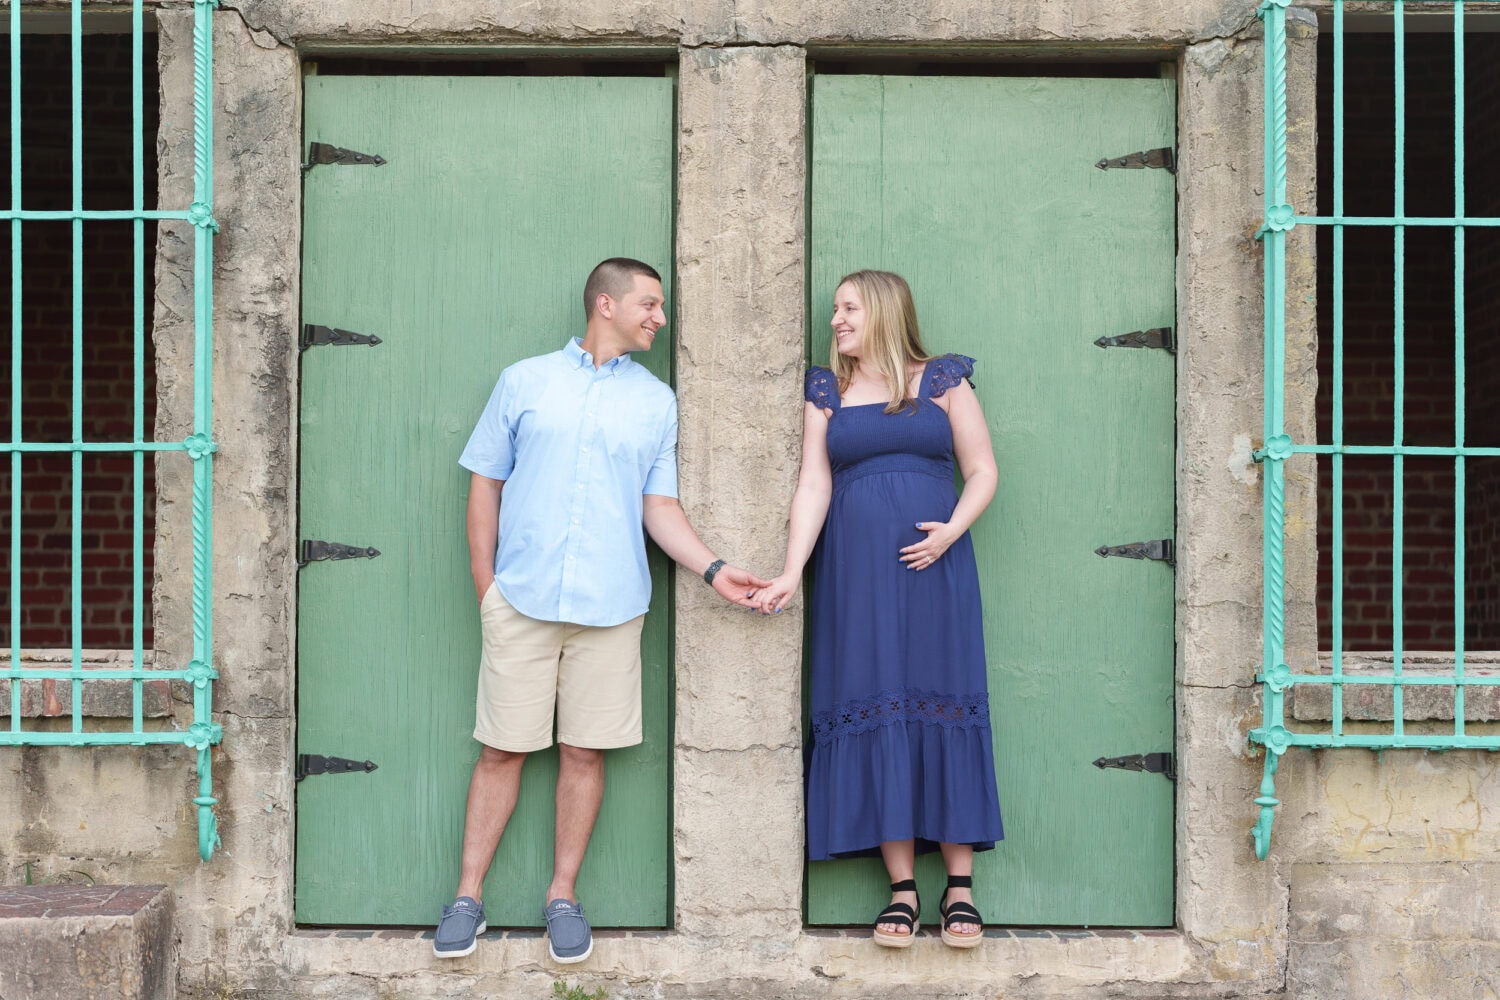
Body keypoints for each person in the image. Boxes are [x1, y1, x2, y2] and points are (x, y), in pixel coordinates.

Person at [435, 257, 768, 963]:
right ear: (606, 303)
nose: (660, 317)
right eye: (650, 304)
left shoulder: (655, 402)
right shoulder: (524, 383)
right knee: (502, 750)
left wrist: (712, 570)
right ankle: (467, 896)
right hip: (520, 601)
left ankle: (563, 895)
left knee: (584, 753)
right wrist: (485, 587)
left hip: (612, 608)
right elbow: (485, 485)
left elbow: (659, 506)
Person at [755, 269, 1004, 949]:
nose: (836, 319)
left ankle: (959, 885)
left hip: (935, 571)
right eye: (835, 309)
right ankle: (901, 888)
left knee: (942, 698)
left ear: (885, 313)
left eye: (849, 308)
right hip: (856, 578)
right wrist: (790, 571)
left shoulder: (944, 380)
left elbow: (982, 469)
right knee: (877, 698)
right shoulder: (827, 391)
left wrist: (952, 530)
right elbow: (814, 484)